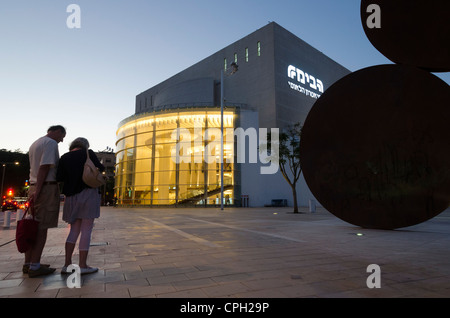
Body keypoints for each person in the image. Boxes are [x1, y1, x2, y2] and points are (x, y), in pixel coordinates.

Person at [56, 137, 104, 275]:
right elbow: (100, 168)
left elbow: (59, 177)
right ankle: (82, 265)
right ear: (85, 145)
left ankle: (67, 264)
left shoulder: (64, 157)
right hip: (88, 194)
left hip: (71, 196)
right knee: (86, 230)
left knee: (74, 230)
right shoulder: (88, 153)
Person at [26, 125, 66, 278]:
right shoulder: (51, 143)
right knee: (41, 228)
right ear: (57, 131)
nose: (61, 140)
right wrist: (39, 190)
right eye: (62, 136)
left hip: (34, 185)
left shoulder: (35, 143)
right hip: (45, 187)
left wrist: (35, 189)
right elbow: (44, 167)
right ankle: (35, 266)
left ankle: (29, 263)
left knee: (33, 225)